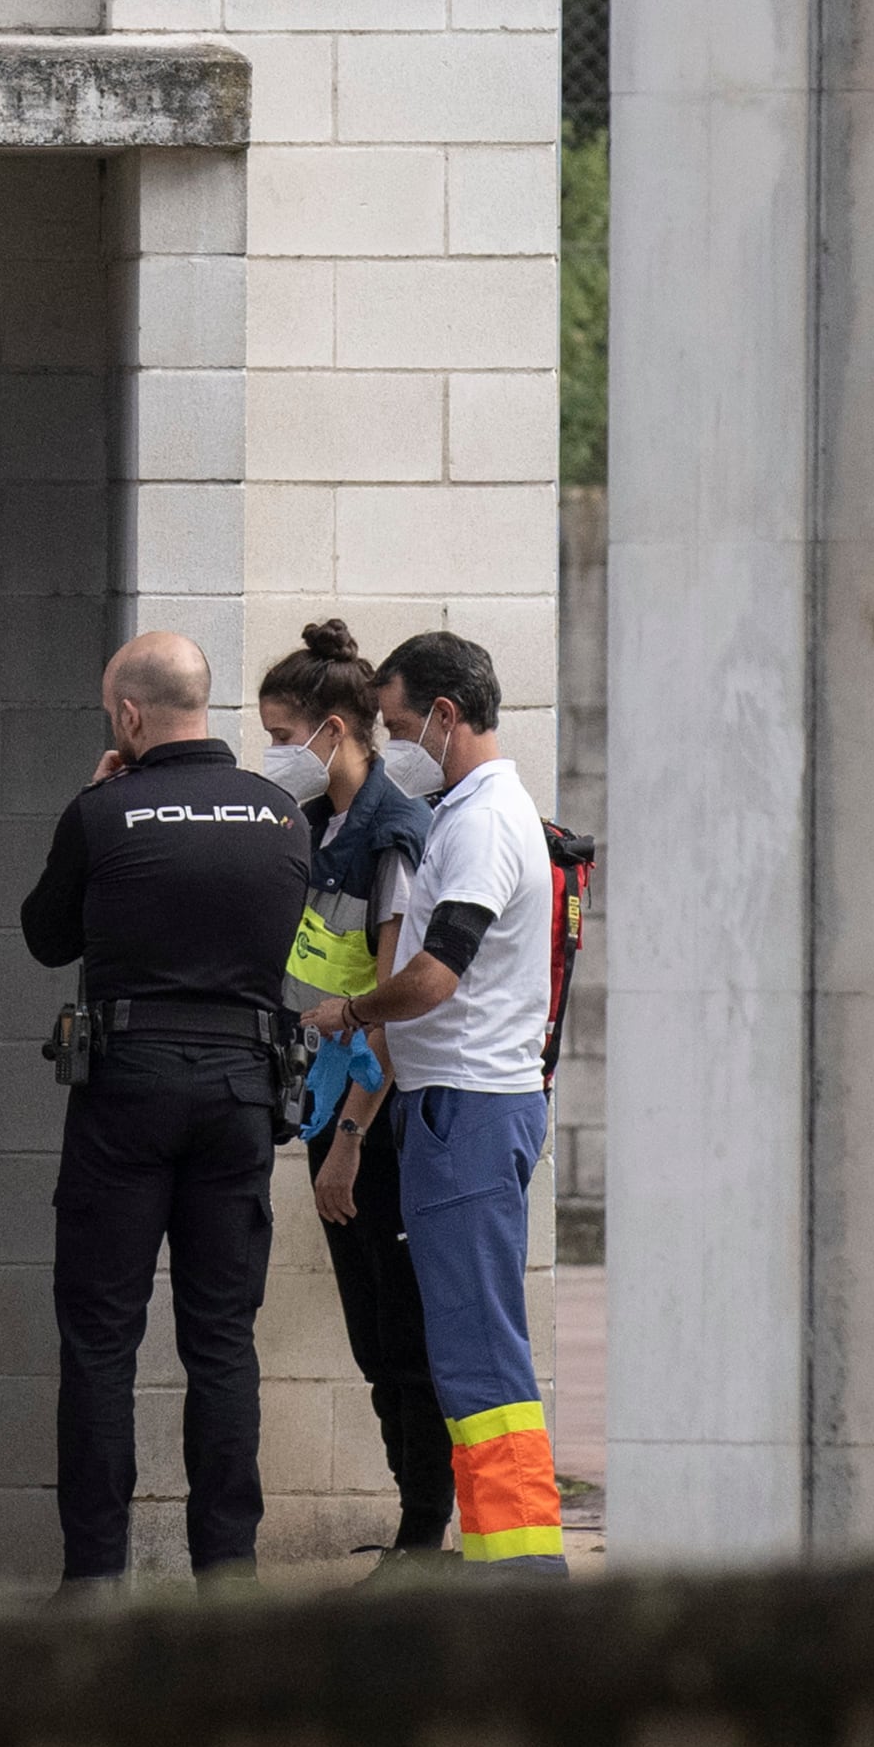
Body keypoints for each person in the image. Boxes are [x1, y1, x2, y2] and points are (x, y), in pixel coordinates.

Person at [20, 631, 311, 1589]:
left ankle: (95, 1581)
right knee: (221, 1342)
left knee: (101, 1341)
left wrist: (99, 798)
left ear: (131, 718)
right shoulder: (280, 816)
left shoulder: (106, 811)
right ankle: (227, 1576)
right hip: (241, 1091)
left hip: (128, 1090)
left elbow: (44, 933)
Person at [301, 631, 567, 1573]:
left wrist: (353, 1009)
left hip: (467, 1110)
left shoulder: (486, 822)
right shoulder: (470, 810)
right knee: (465, 1358)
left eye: (406, 723)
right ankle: (505, 1560)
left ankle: (524, 1570)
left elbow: (435, 976)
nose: (398, 740)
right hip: (456, 1111)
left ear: (447, 718)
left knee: (480, 1361)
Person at [257, 621, 444, 1563]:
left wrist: (351, 1140)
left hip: (378, 1121)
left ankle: (423, 1532)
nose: (274, 756)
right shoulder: (317, 827)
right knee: (371, 1337)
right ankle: (413, 1525)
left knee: (402, 1335)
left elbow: (395, 1002)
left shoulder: (393, 835)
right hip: (326, 1105)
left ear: (333, 729)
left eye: (283, 737)